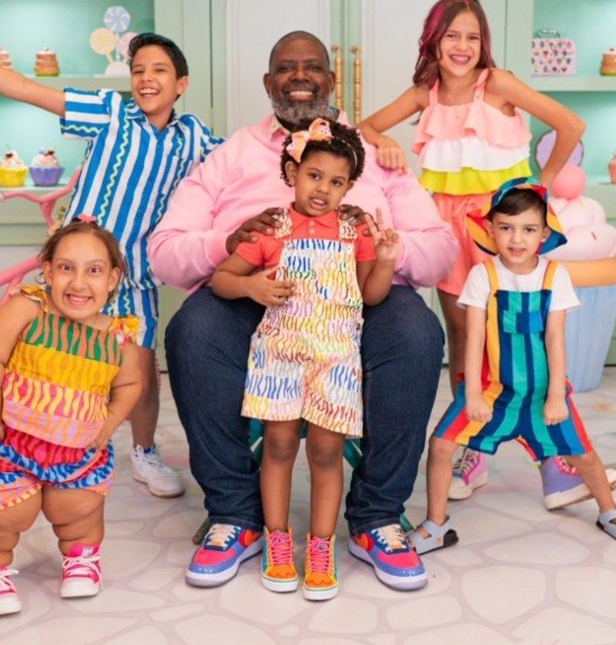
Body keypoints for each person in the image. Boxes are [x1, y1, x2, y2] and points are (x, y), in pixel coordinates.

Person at [150, 31, 457, 592]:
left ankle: (376, 518)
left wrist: (380, 243)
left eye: (312, 67)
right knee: (192, 331)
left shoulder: (372, 154)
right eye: (286, 68)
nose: (299, 76)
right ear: (268, 83)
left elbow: (440, 248)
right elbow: (165, 250)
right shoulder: (231, 154)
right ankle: (236, 515)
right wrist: (228, 241)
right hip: (258, 291)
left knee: (416, 333)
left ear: (331, 81)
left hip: (355, 295)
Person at [0, 29, 220, 498]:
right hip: (75, 269)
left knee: (140, 372)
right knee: (46, 357)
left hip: (134, 277)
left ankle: (145, 453)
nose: (146, 78)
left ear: (181, 83)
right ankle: (30, 442)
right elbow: (26, 88)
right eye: (138, 70)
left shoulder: (195, 136)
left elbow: (244, 164)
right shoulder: (111, 113)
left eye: (159, 70)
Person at [358, 0, 616, 509]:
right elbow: (364, 127)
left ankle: (555, 461)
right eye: (452, 36)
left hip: (502, 227)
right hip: (447, 227)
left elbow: (571, 125)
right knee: (465, 336)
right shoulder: (425, 94)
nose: (462, 46)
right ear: (433, 42)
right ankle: (473, 450)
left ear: (484, 44)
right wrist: (383, 141)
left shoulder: (497, 84)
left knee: (524, 334)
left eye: (473, 37)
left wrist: (539, 190)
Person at [210, 118, 399, 600]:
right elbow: (221, 280)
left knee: (327, 450)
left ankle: (320, 546)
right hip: (279, 354)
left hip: (335, 356)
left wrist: (385, 260)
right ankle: (276, 540)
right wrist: (252, 286)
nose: (323, 189)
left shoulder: (354, 230)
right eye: (314, 176)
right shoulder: (271, 228)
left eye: (336, 182)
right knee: (277, 444)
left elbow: (370, 296)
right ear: (293, 173)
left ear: (349, 187)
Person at [406, 179, 616, 554]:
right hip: (491, 392)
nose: (516, 239)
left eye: (529, 229)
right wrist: (472, 394)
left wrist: (556, 396)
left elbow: (555, 338)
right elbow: (473, 337)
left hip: (541, 395)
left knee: (583, 454)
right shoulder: (482, 275)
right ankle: (436, 524)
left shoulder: (554, 276)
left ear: (543, 234)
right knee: (440, 446)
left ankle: (610, 510)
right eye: (506, 227)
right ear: (491, 229)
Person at [0, 219, 143, 616]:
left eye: (94, 270)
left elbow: (130, 385)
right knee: (0, 515)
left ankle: (82, 556)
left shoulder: (118, 337)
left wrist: (108, 424)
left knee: (79, 510)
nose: (78, 282)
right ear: (48, 271)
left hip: (77, 452)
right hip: (6, 443)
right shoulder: (28, 309)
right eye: (67, 268)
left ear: (112, 279)